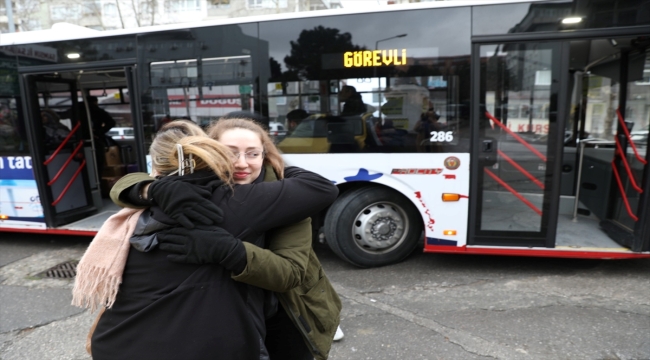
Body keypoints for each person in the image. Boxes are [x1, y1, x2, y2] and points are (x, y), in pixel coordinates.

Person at [77, 120, 339, 359]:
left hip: (285, 313)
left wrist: (230, 251)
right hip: (234, 314)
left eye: (253, 153)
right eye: (229, 152)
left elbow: (290, 273)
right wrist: (152, 187)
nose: (241, 163)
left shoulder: (290, 198)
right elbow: (124, 184)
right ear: (206, 153)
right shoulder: (196, 193)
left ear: (265, 155)